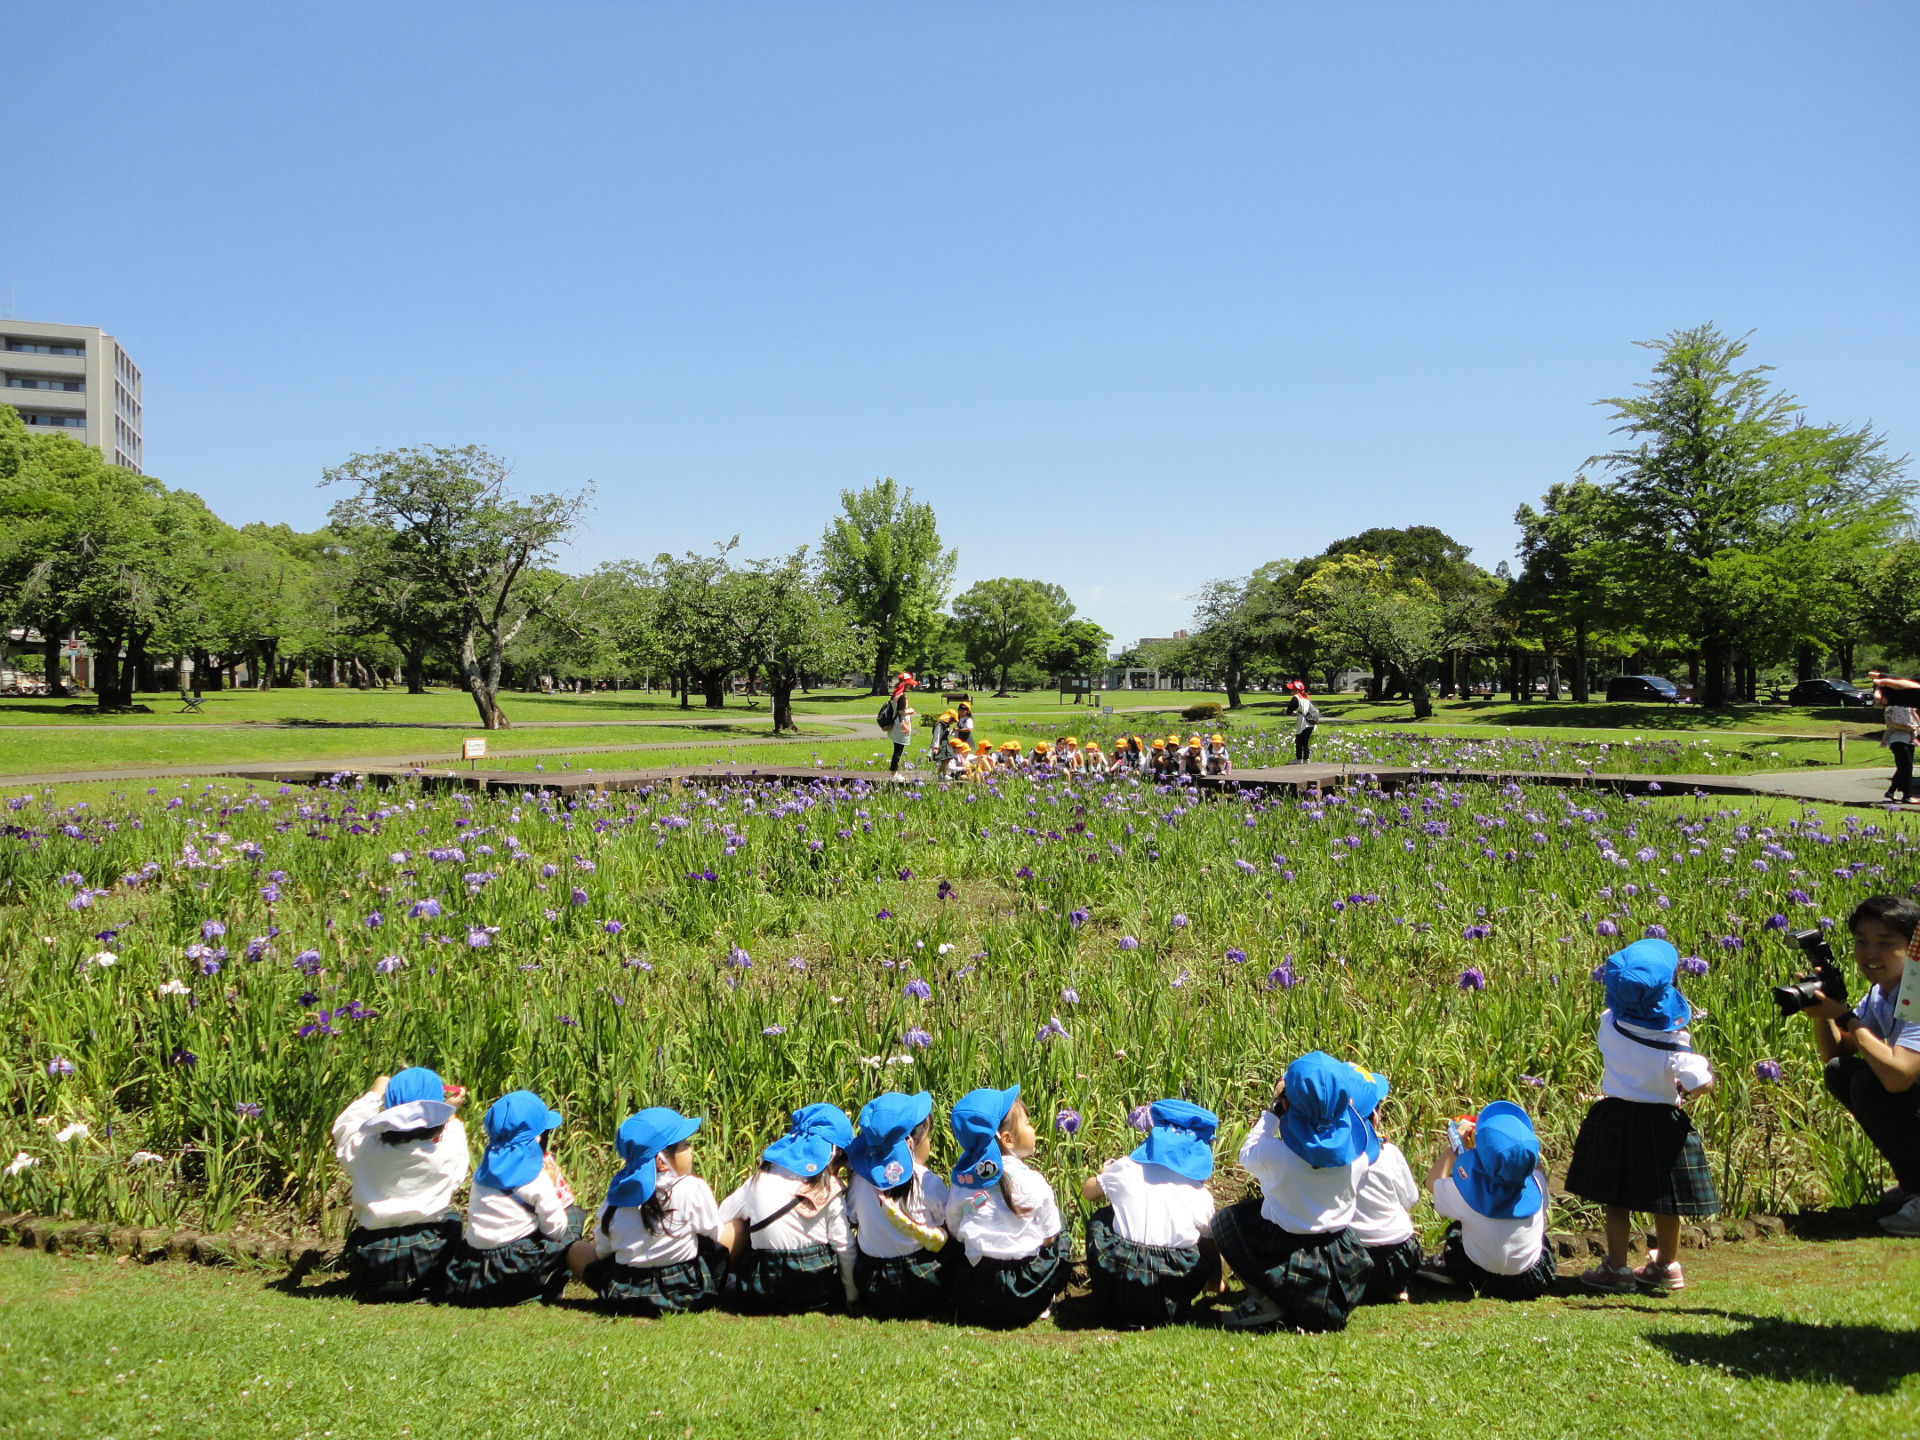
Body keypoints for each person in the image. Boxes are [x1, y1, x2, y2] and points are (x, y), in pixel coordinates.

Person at [1566, 939, 1717, 1293]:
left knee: (1616, 1197)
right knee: (1667, 1199)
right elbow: (1702, 1083)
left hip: (1615, 1115)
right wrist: (1690, 1088)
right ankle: (1665, 1265)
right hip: (1661, 1122)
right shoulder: (1675, 1041)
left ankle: (1616, 1268)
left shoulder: (1608, 1024)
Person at [1212, 1053, 1377, 1332]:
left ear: (1287, 1103)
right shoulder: (1358, 1158)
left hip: (1289, 1259)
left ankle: (1266, 1300)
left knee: (1225, 1221)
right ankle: (1306, 1306)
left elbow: (1247, 1153)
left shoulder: (1276, 1155)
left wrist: (1272, 1113)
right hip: (1342, 1266)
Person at [1805, 895, 1920, 1236]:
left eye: (1885, 943)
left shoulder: (1916, 992)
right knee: (1842, 1073)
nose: (1870, 953)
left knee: (1871, 1084)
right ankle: (1914, 1185)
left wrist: (1844, 1016)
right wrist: (1822, 1008)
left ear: (1913, 948)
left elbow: (1898, 1077)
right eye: (1861, 942)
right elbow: (1837, 1051)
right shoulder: (1882, 993)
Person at [567, 1107, 734, 1316]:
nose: (690, 1150)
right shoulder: (692, 1187)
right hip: (684, 1291)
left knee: (575, 1250)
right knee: (735, 1229)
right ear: (661, 1161)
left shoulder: (615, 1197)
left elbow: (602, 1251)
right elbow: (715, 1234)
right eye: (684, 1145)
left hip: (624, 1294)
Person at [330, 1067, 468, 1302]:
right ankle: (432, 1284)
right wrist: (451, 1112)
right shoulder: (447, 1151)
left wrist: (374, 1094)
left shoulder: (364, 1149)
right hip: (428, 1247)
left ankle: (375, 1286)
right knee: (453, 1219)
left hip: (373, 1251)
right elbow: (455, 1138)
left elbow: (346, 1126)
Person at [1081, 1099, 1220, 1328]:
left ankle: (1110, 1298)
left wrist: (1104, 1174)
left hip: (1121, 1274)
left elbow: (1088, 1193)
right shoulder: (1199, 1194)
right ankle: (1178, 1303)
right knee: (1203, 1238)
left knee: (1102, 1218)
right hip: (1171, 1284)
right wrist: (1215, 1279)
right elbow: (1209, 1241)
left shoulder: (1126, 1167)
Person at [441, 1090, 583, 1306]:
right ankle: (550, 1286)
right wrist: (553, 1186)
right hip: (513, 1268)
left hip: (474, 1268)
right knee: (573, 1216)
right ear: (537, 1137)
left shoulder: (481, 1174)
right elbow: (555, 1231)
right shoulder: (537, 1179)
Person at [945, 1085, 1068, 1328]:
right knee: (1060, 1231)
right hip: (1025, 1290)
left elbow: (955, 1228)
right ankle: (1045, 1301)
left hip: (977, 1291)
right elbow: (1049, 1238)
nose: (1033, 1130)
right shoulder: (1034, 1182)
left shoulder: (964, 1183)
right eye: (1028, 1124)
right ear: (1008, 1139)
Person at [720, 1103, 858, 1312]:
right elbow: (844, 1247)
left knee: (739, 1223)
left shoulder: (760, 1178)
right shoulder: (829, 1187)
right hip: (818, 1292)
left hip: (764, 1289)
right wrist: (852, 1297)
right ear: (833, 1156)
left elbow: (723, 1214)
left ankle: (719, 1283)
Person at [1426, 1101, 1555, 1300]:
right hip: (1531, 1280)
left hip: (1477, 1277)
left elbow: (1432, 1183)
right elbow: (1537, 1168)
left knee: (1456, 1230)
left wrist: (1454, 1147)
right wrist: (1521, 1151)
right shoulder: (1538, 1184)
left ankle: (1443, 1264)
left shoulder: (1465, 1192)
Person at [846, 1091, 954, 1319]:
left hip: (874, 1285)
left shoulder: (858, 1180)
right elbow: (950, 1223)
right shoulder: (927, 1181)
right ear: (911, 1143)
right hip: (923, 1282)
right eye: (928, 1136)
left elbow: (853, 1218)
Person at [1344, 1074, 1422, 1305]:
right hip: (1400, 1255)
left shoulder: (1331, 1159)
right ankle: (1394, 1287)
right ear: (1374, 1116)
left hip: (1353, 1258)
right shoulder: (1389, 1153)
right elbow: (1410, 1199)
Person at [1870, 674, 1917, 804]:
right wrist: (1908, 727)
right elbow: (1890, 724)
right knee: (1906, 767)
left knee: (1904, 767)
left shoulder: (1908, 704)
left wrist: (1917, 727)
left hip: (1909, 738)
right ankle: (1907, 795)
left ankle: (1891, 791)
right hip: (1897, 739)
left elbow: (1914, 715)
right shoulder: (1891, 706)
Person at [1287, 682, 1321, 763]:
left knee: (1299, 739)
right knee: (1305, 740)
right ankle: (1306, 758)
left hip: (1304, 721)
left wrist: (1288, 712)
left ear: (1296, 690)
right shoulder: (1306, 697)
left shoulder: (1296, 698)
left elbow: (1289, 710)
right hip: (1311, 721)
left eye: (1292, 689)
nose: (1291, 691)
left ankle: (1299, 759)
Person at [887, 698, 915, 775]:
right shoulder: (900, 703)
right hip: (900, 732)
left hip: (899, 731)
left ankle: (894, 770)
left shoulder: (899, 702)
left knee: (898, 751)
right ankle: (894, 771)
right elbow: (901, 711)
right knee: (897, 752)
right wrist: (909, 711)